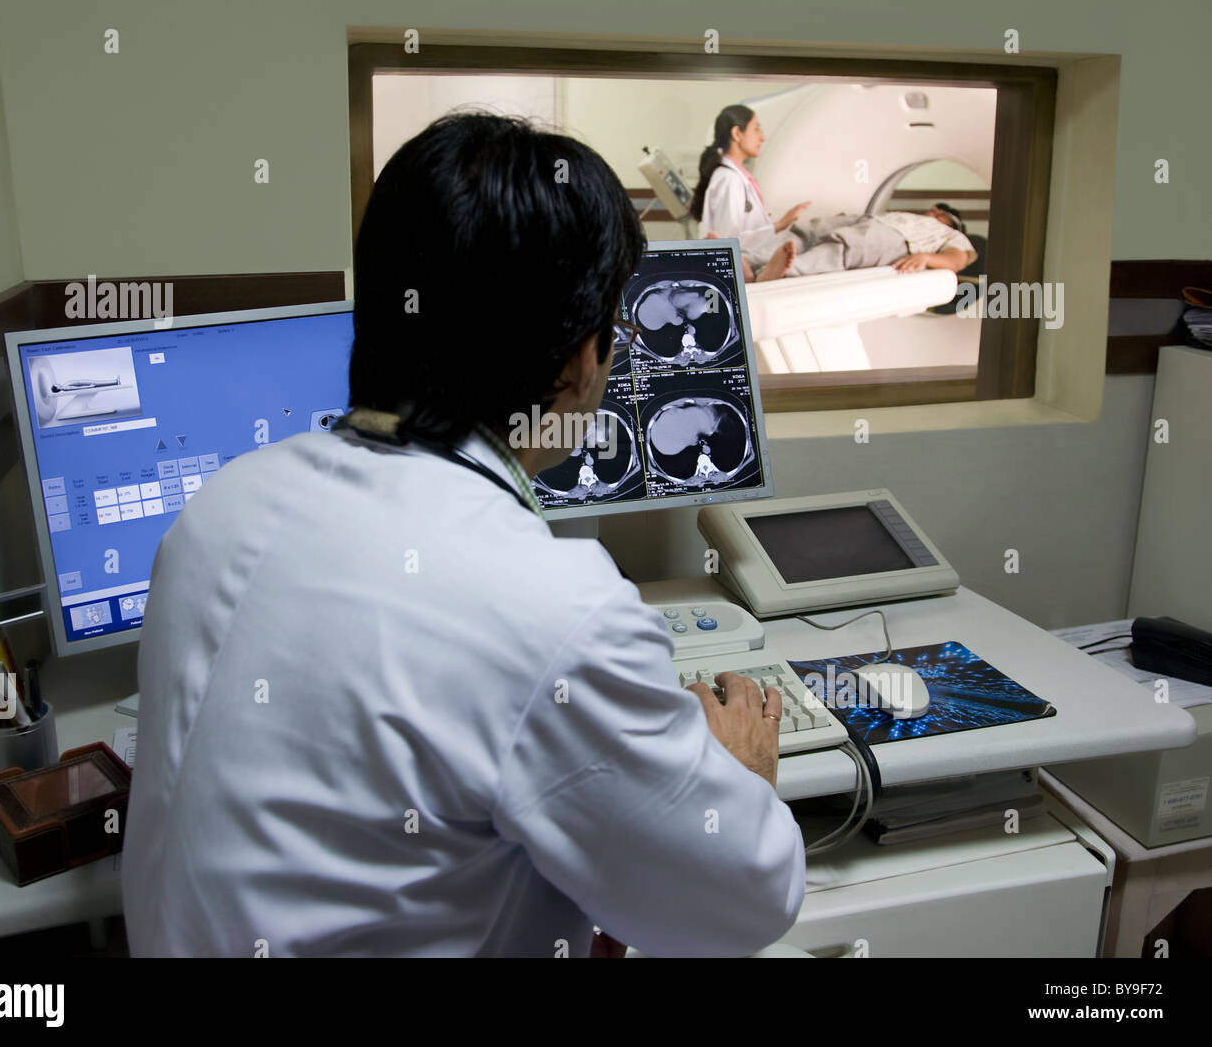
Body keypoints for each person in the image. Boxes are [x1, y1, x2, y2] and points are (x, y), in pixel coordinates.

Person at [121, 112, 806, 958]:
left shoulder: (221, 505)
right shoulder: (553, 609)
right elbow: (742, 904)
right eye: (613, 331)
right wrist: (735, 773)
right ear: (578, 358)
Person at [689, 104, 809, 281]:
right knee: (814, 236)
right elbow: (728, 242)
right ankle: (758, 276)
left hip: (753, 254)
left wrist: (780, 226)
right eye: (756, 129)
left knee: (813, 236)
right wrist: (779, 225)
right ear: (737, 133)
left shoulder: (737, 177)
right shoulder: (728, 179)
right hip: (747, 259)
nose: (762, 137)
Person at [760, 203, 979, 280]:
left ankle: (784, 271)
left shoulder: (953, 235)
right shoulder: (911, 216)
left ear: (951, 223)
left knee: (843, 246)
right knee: (809, 230)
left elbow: (957, 260)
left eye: (941, 213)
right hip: (870, 220)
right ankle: (751, 262)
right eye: (934, 208)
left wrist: (926, 257)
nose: (934, 210)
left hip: (896, 237)